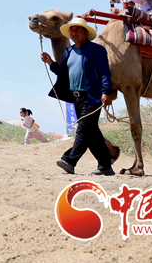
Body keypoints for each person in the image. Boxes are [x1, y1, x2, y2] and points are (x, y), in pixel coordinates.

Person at [41, 17, 116, 176]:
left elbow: (105, 72)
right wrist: (51, 63)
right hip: (76, 98)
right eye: (72, 30)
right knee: (92, 133)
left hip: (91, 97)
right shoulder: (69, 51)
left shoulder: (97, 50)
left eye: (77, 30)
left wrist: (106, 92)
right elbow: (63, 74)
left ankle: (69, 160)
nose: (74, 33)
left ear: (85, 32)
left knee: (83, 130)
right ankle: (105, 166)